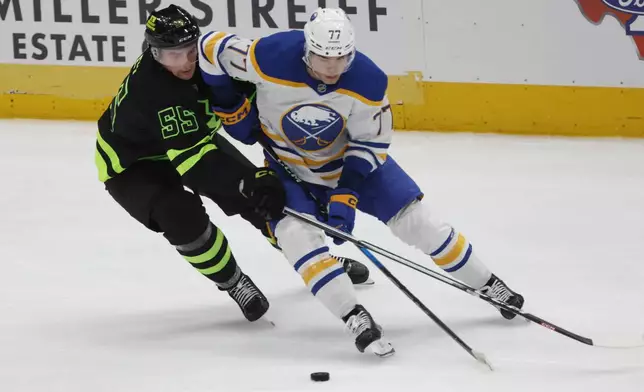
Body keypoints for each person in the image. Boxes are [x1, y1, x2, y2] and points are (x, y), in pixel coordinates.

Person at [198, 7, 525, 355]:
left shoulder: (368, 80)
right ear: (307, 49)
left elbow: (370, 142)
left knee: (419, 223)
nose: (332, 68)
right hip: (288, 167)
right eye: (323, 58)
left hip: (353, 167)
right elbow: (209, 48)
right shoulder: (269, 56)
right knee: (295, 237)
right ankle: (353, 315)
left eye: (341, 59)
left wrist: (346, 192)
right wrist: (228, 106)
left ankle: (489, 284)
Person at [94, 5, 371, 323]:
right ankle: (234, 281)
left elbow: (258, 91)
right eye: (171, 55)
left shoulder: (214, 57)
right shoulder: (152, 89)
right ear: (152, 53)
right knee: (183, 217)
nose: (184, 63)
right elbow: (195, 162)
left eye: (188, 51)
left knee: (270, 203)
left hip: (194, 142)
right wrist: (247, 182)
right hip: (133, 164)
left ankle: (315, 260)